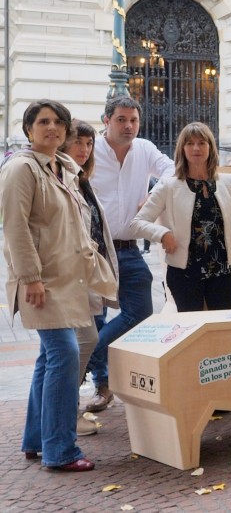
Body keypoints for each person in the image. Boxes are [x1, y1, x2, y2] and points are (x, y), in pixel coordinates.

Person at [2, 100, 114, 471]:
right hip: (43, 282)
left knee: (51, 357)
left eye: (58, 123)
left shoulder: (62, 167)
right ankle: (60, 449)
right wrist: (30, 277)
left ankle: (36, 438)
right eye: (43, 122)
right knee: (65, 354)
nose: (52, 128)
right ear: (29, 129)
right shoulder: (21, 169)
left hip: (70, 280)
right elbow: (15, 229)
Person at [84, 96, 174, 414]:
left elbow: (172, 171)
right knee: (94, 318)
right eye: (122, 119)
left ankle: (85, 354)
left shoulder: (145, 149)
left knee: (140, 312)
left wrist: (152, 195)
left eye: (133, 120)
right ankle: (103, 386)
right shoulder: (89, 149)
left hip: (130, 250)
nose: (129, 126)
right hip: (93, 251)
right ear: (107, 120)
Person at [129, 123, 231, 312]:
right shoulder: (168, 185)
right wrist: (163, 234)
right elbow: (137, 224)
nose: (196, 148)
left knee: (222, 332)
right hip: (184, 276)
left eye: (202, 142)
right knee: (192, 333)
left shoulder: (229, 181)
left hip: (223, 274)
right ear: (182, 149)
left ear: (211, 147)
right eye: (190, 143)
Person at [59, 120, 119, 437]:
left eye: (89, 144)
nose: (84, 150)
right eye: (78, 143)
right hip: (70, 279)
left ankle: (62, 416)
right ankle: (64, 416)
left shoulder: (82, 180)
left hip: (88, 276)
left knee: (79, 345)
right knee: (74, 347)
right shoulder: (62, 180)